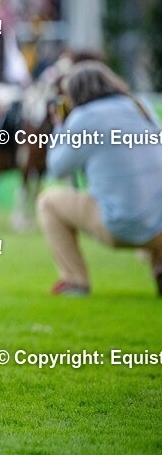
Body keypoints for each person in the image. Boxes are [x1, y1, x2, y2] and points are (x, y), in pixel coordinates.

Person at [37, 61, 162, 296]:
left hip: (118, 226)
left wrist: (60, 126)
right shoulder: (141, 106)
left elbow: (56, 168)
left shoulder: (84, 118)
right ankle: (159, 265)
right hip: (158, 226)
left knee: (48, 202)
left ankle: (76, 281)